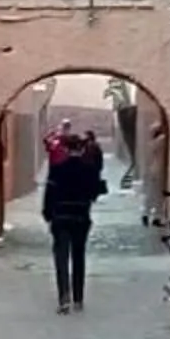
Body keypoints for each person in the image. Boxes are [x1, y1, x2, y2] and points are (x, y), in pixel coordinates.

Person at [42, 129, 104, 314]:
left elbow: (49, 195)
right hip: (81, 216)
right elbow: (94, 193)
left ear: (66, 149)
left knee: (61, 257)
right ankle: (79, 298)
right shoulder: (90, 170)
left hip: (60, 217)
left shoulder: (57, 169)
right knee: (79, 256)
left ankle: (64, 298)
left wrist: (48, 214)